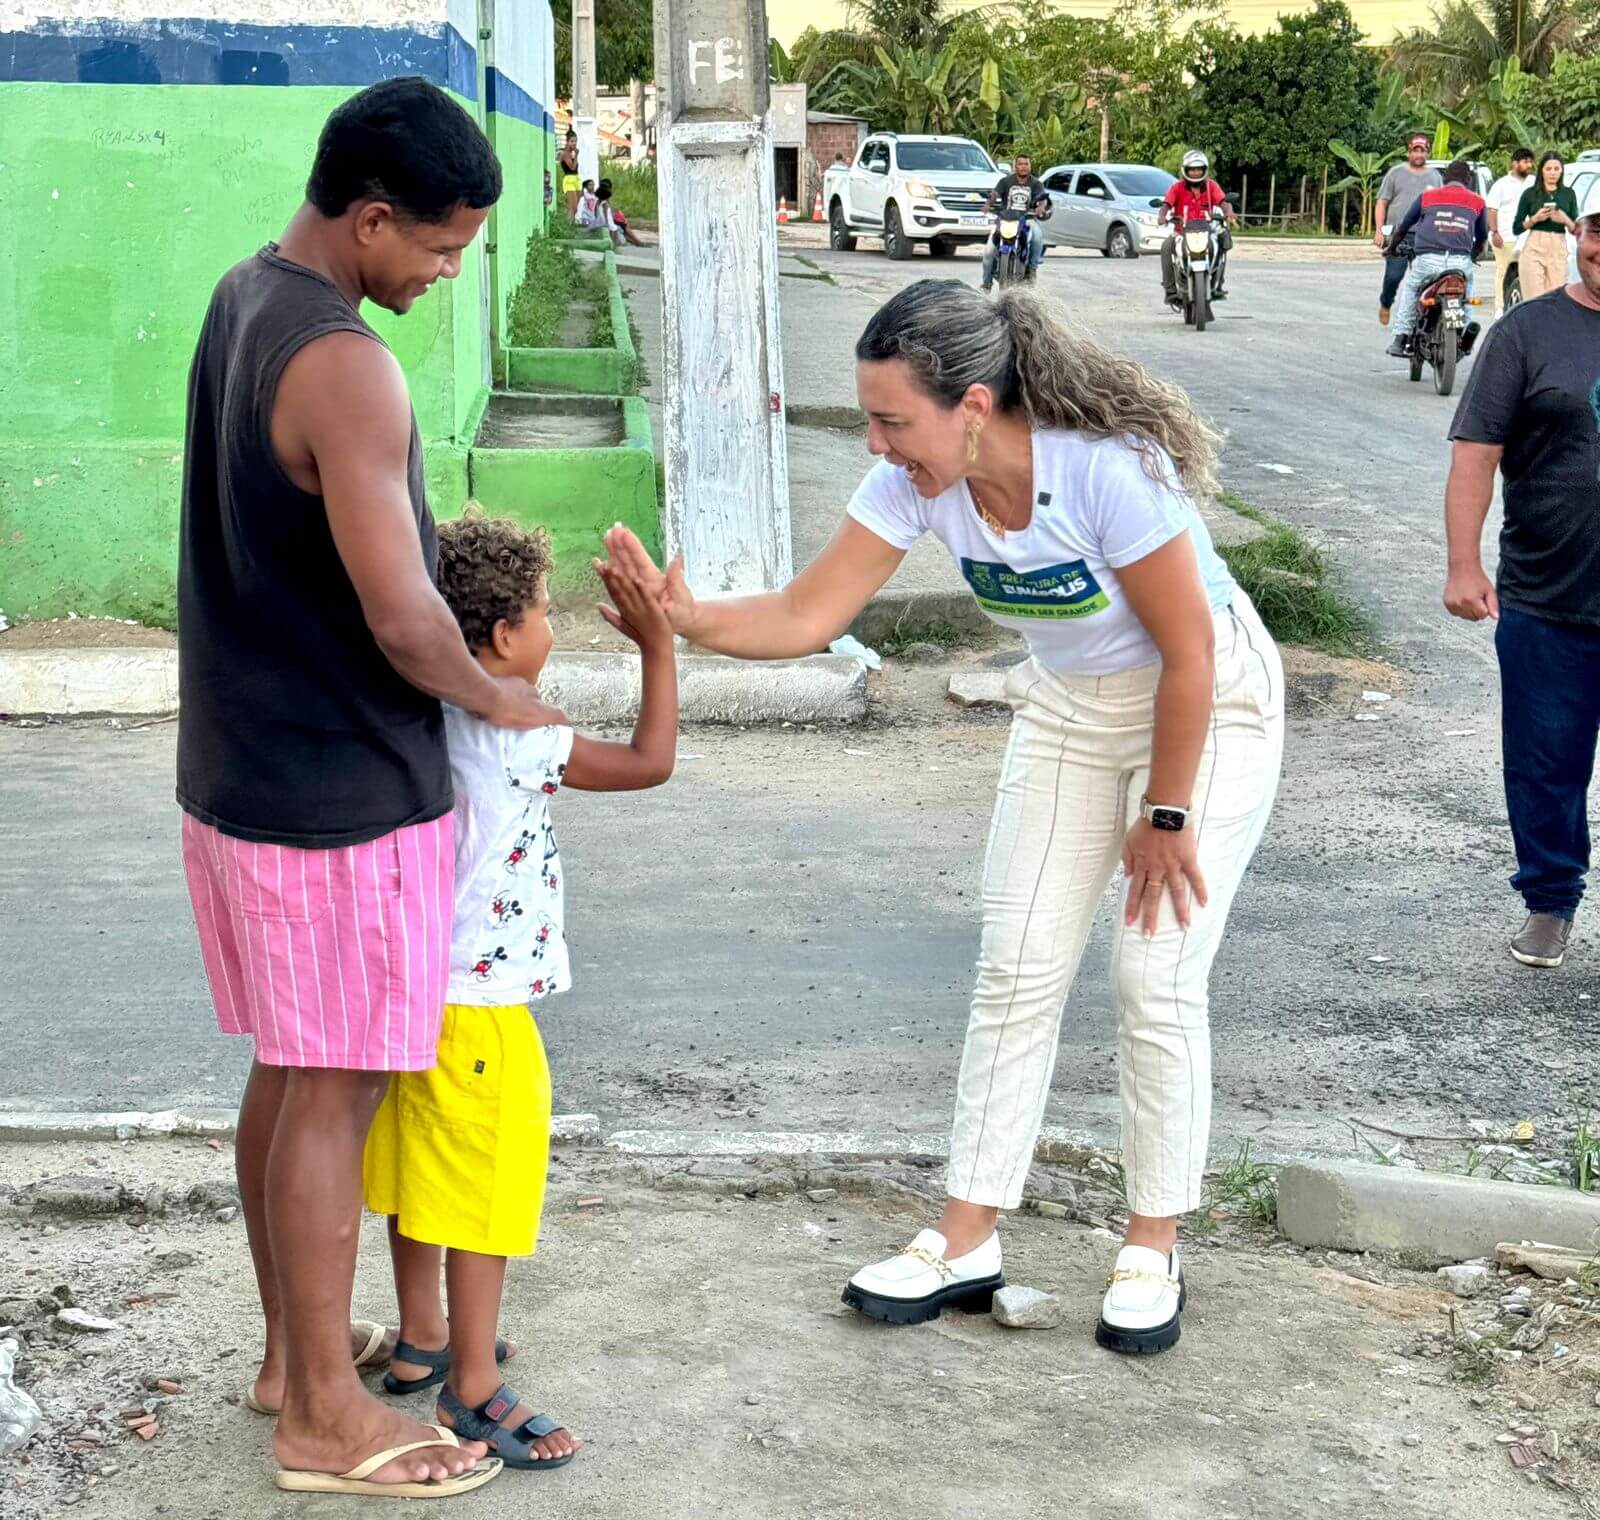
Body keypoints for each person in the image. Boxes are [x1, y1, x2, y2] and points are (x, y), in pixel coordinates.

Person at [600, 279, 1285, 1355]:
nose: (876, 445)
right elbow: (804, 612)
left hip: (1208, 706)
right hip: (1070, 707)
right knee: (1015, 963)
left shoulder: (1106, 472)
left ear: (972, 406)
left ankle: (1152, 1242)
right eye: (870, 420)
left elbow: (1191, 652)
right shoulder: (922, 484)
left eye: (891, 422)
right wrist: (684, 618)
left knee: (1153, 972)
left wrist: (1165, 808)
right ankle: (966, 1236)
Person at [177, 76, 564, 1499]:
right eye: (443, 249)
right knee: (336, 1094)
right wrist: (499, 699)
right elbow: (409, 622)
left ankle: (296, 1358)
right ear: (374, 215)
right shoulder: (347, 363)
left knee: (291, 1071)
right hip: (337, 792)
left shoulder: (244, 294)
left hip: (239, 770)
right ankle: (325, 1418)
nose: (447, 274)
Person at [363, 510, 677, 1469]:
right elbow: (649, 763)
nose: (553, 628)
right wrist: (659, 651)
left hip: (413, 988)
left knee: (421, 1177)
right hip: (484, 1006)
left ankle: (423, 1343)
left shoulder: (424, 711)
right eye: (546, 613)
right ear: (502, 638)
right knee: (485, 1193)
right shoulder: (521, 727)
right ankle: (474, 1390)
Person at [1443, 211, 1600, 970]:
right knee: (1545, 762)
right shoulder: (1525, 333)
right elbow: (1476, 452)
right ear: (1579, 235)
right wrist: (1462, 564)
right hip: (1547, 595)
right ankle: (1550, 898)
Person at [1385, 159, 1486, 359]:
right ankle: (1465, 333)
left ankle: (1401, 336)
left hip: (1428, 261)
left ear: (1445, 177)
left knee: (1412, 288)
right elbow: (1482, 237)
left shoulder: (1426, 197)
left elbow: (1404, 227)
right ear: (1468, 180)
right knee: (1466, 291)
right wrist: (1471, 256)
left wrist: (1392, 248)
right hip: (1459, 263)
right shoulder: (1478, 202)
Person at [1374, 134, 1443, 325]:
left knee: (1427, 278)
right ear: (1408, 152)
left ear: (1428, 153)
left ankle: (1419, 317)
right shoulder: (1395, 173)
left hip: (1425, 235)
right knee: (1394, 276)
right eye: (1415, 150)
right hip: (1399, 235)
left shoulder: (1435, 177)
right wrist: (1379, 230)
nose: (1419, 154)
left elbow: (1441, 205)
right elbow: (1382, 202)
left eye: (1422, 150)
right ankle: (1386, 303)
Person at [1160, 150, 1235, 308]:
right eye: (1192, 169)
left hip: (1206, 230)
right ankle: (1171, 291)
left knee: (1224, 239)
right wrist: (1163, 215)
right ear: (1186, 170)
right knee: (1166, 246)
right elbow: (1166, 204)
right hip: (1182, 231)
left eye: (1199, 169)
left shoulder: (1211, 186)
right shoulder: (1177, 187)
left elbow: (1223, 202)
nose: (1195, 173)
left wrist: (1228, 212)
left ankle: (1218, 283)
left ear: (1204, 169)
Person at [1513, 151, 1578, 301]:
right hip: (1534, 247)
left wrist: (1564, 219)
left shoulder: (1568, 194)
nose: (1552, 173)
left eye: (1556, 169)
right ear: (1541, 170)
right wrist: (1535, 219)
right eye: (1548, 169)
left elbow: (1575, 229)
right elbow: (1516, 228)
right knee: (1535, 300)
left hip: (1558, 248)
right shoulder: (1530, 194)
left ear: (1562, 171)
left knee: (1555, 300)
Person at [980, 153, 1051, 291]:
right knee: (989, 250)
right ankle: (986, 283)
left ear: (1030, 166)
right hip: (1005, 219)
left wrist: (1041, 208)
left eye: (1026, 164)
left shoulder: (1036, 183)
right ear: (1015, 166)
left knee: (1037, 238)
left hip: (1027, 219)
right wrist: (988, 204)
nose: (1023, 167)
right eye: (1020, 164)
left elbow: (1042, 198)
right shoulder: (1005, 181)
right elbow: (995, 194)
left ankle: (1031, 271)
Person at [1486, 147, 1535, 318]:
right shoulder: (1501, 185)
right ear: (1515, 163)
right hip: (1505, 236)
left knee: (1527, 272)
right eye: (1525, 161)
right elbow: (1492, 210)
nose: (1529, 165)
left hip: (1528, 236)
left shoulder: (1534, 182)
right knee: (1504, 272)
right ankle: (1500, 307)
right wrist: (1495, 232)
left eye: (1530, 161)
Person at [597, 178, 645, 247]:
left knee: (624, 226)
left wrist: (615, 212)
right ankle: (637, 242)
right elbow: (607, 210)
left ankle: (636, 242)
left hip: (607, 217)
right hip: (607, 219)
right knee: (624, 226)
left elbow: (609, 208)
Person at [559, 130, 581, 218]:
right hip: (569, 180)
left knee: (576, 208)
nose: (574, 143)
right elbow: (572, 167)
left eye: (575, 141)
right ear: (567, 142)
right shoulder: (565, 154)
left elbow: (576, 169)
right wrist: (576, 156)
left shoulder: (572, 153)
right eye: (572, 141)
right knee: (573, 207)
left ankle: (571, 224)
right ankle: (569, 226)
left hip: (576, 179)